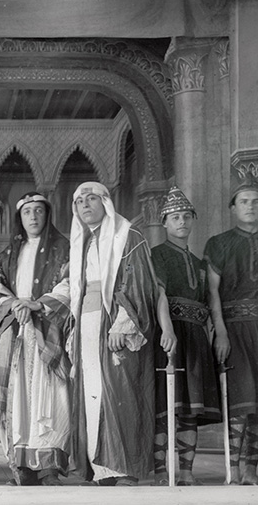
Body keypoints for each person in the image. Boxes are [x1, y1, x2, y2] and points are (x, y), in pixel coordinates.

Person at [45, 181, 166, 486]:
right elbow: (72, 287)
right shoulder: (83, 243)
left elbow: (139, 283)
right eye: (79, 201)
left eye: (91, 198)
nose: (85, 204)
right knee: (92, 394)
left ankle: (124, 468)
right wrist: (40, 305)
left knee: (121, 392)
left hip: (114, 325)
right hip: (86, 326)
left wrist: (122, 322)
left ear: (106, 202)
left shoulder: (128, 237)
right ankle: (101, 470)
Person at [203, 180, 258, 485]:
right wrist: (220, 332)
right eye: (243, 201)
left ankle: (251, 468)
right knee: (239, 400)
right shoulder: (218, 243)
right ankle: (233, 469)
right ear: (233, 207)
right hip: (233, 329)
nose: (250, 206)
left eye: (255, 201)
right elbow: (212, 292)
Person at [0, 192, 73, 486]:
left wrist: (38, 304)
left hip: (48, 330)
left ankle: (49, 468)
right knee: (19, 398)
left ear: (46, 214)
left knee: (52, 396)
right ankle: (22, 467)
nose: (34, 217)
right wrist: (15, 305)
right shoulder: (9, 253)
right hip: (18, 333)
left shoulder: (63, 248)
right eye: (28, 212)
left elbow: (71, 282)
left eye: (39, 211)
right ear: (20, 218)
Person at [151, 188, 220, 486]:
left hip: (196, 337)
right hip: (171, 333)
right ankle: (160, 472)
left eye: (186, 217)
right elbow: (160, 294)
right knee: (167, 407)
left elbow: (209, 302)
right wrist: (166, 329)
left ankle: (187, 472)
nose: (181, 222)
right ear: (165, 222)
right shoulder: (158, 254)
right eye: (175, 217)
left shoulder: (200, 262)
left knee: (190, 408)